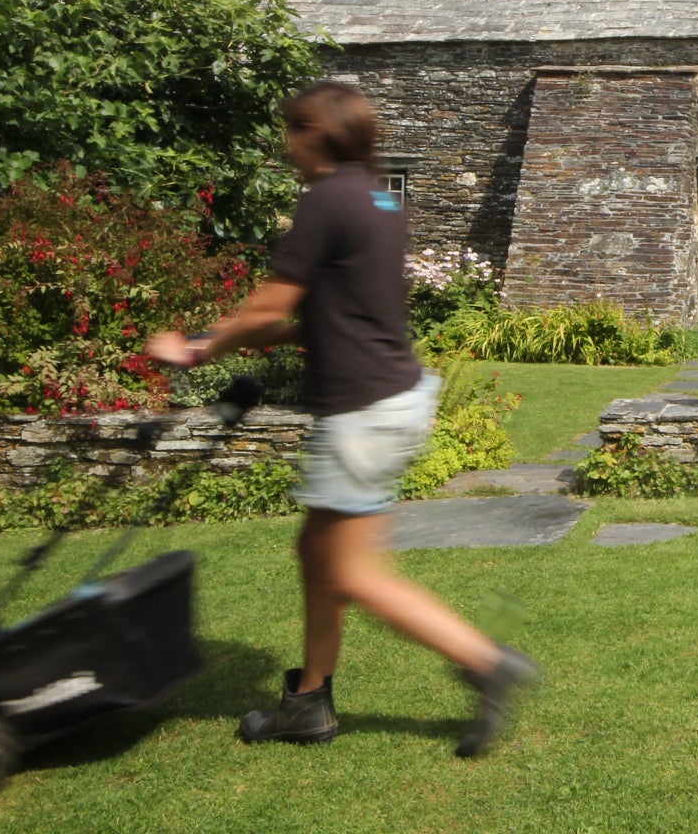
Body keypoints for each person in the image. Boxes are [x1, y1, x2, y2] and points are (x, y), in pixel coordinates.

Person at [147, 81, 534, 757]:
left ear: (312, 134)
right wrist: (254, 337)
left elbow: (267, 309)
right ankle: (308, 703)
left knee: (352, 573)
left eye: (290, 130)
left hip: (363, 412)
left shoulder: (326, 200)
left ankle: (486, 662)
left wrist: (200, 346)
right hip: (394, 396)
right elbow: (330, 319)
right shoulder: (382, 200)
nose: (283, 144)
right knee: (314, 553)